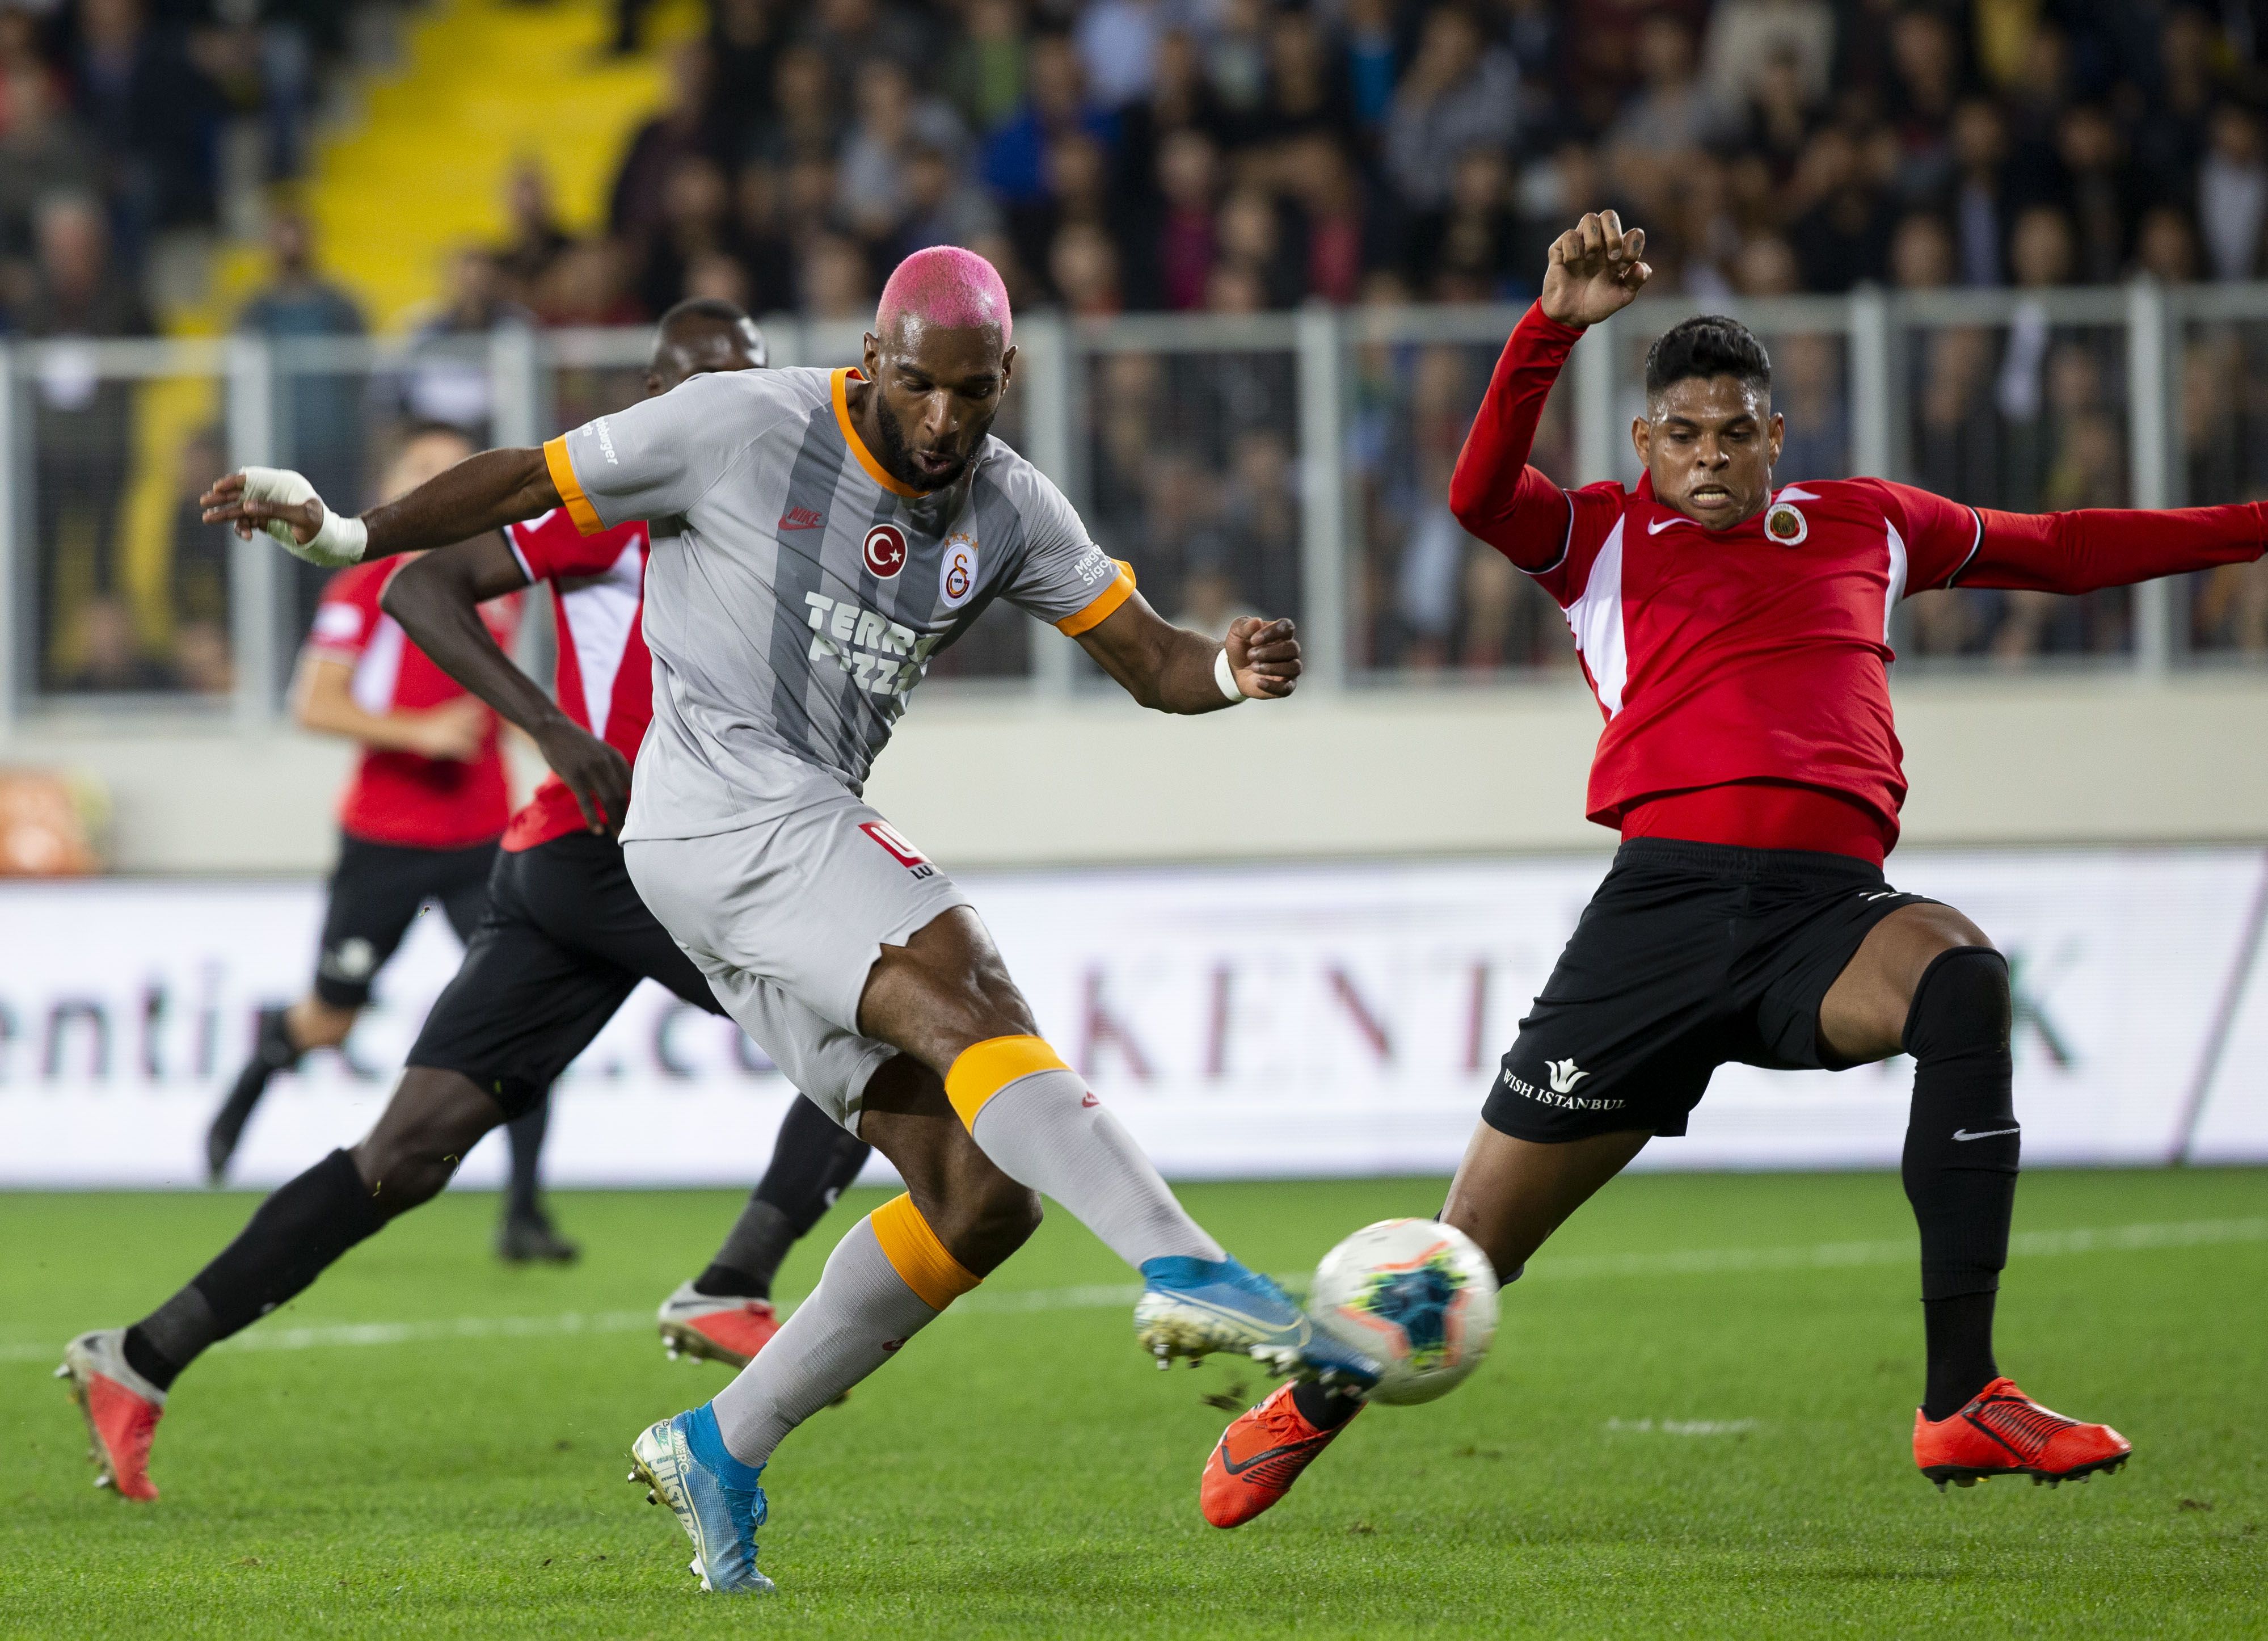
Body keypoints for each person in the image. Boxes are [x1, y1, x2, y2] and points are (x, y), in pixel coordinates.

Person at [197, 245, 1373, 1594]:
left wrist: (1229, 666)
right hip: (715, 805)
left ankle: (722, 1442)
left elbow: (1151, 657)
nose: (943, 423)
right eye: (920, 388)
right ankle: (1187, 1264)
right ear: (872, 362)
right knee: (963, 976)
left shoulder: (1010, 505)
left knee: (981, 1197)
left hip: (746, 860)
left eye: (974, 395)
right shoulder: (741, 422)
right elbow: (527, 479)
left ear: (1009, 379)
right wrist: (347, 534)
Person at [1199, 210, 2268, 1527]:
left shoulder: (1871, 524)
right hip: (1656, 919)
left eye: (1737, 432)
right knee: (1468, 1253)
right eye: (1685, 436)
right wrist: (1549, 331)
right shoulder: (1596, 538)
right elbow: (1478, 496)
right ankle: (1309, 1399)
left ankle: (1960, 1400)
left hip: (1825, 919)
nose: (1712, 457)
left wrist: (2255, 525)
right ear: (1646, 445)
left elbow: (2067, 547)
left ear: (1776, 437)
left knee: (1961, 979)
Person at [58, 302, 875, 1505]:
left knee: (406, 1151)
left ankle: (139, 1356)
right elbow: (418, 594)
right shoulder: (614, 508)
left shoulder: (767, 521)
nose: (729, 417)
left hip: (562, 868)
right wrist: (552, 725)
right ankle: (732, 1281)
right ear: (654, 397)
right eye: (705, 391)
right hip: (624, 853)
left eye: (749, 390)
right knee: (871, 1029)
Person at [202, 423, 577, 1261]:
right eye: (421, 470)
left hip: (484, 834)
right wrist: (419, 734)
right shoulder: (359, 583)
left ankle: (523, 1215)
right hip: (386, 839)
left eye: (454, 470)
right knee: (330, 1022)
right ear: (395, 483)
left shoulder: (500, 578)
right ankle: (247, 1091)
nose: (441, 483)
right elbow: (315, 706)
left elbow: (506, 697)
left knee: (522, 1009)